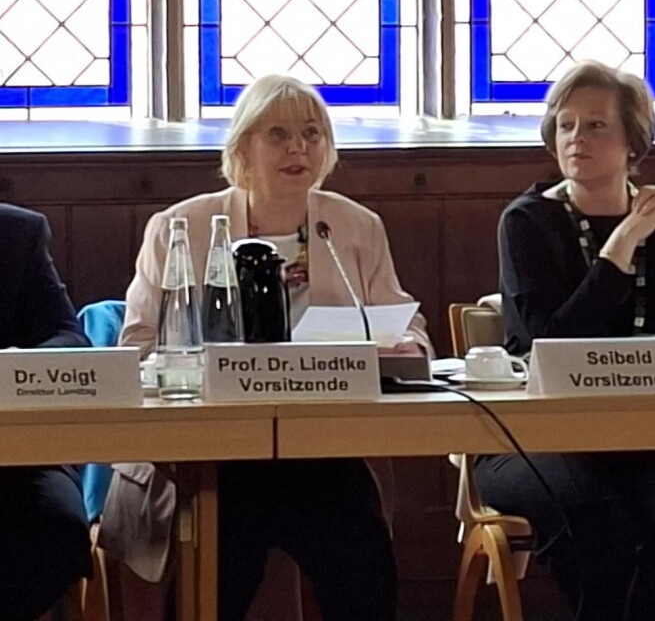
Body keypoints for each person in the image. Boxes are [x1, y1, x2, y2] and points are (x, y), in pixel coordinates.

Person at [103, 74, 432, 621]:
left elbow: (407, 325)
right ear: (241, 149)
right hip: (211, 452)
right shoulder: (180, 226)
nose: (298, 148)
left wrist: (399, 345)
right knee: (222, 559)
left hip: (323, 444)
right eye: (278, 134)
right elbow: (138, 344)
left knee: (363, 562)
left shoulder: (354, 226)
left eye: (312, 134)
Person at [477, 60, 655, 621]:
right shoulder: (527, 221)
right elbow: (543, 343)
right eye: (566, 125)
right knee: (595, 519)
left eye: (596, 125)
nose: (576, 139)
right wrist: (616, 252)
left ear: (633, 141)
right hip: (530, 436)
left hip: (647, 434)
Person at [0, 204, 93, 620]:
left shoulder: (17, 231)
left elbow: (70, 337)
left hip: (18, 454)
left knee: (55, 530)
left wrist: (16, 361)